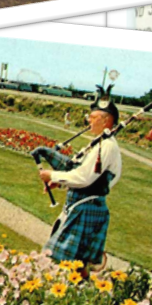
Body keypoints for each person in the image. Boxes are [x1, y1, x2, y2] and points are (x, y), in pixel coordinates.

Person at [36, 87, 123, 278]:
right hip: (81, 208)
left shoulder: (107, 146)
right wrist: (62, 183)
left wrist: (52, 176)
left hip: (85, 210)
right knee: (77, 268)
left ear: (106, 120)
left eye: (93, 117)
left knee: (55, 260)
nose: (88, 120)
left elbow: (84, 178)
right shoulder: (101, 143)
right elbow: (85, 176)